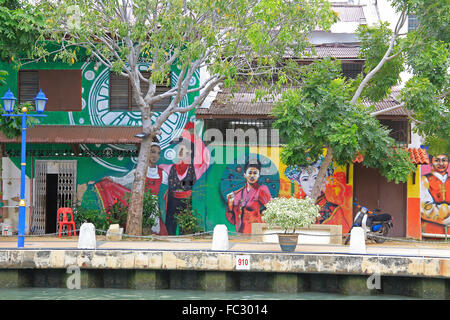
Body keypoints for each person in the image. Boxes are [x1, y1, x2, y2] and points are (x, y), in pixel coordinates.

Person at [96, 139, 168, 235]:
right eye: (152, 152)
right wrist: (111, 179)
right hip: (140, 204)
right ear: (147, 153)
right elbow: (123, 180)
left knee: (155, 228)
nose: (155, 155)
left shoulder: (162, 174)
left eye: (158, 153)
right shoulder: (138, 171)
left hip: (153, 206)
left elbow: (171, 187)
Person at [159, 122, 210, 235]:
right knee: (170, 224)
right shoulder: (169, 168)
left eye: (185, 148)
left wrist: (195, 138)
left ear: (191, 152)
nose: (181, 151)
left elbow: (205, 160)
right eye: (179, 148)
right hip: (172, 200)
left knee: (185, 225)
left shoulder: (195, 169)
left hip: (186, 200)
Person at [284, 158, 351, 232]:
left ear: (324, 180)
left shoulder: (334, 210)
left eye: (316, 178)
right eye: (305, 179)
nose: (311, 184)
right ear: (299, 183)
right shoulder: (295, 208)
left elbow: (342, 236)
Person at [225, 159, 272, 234]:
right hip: (241, 232)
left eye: (255, 173)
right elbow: (233, 220)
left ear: (259, 175)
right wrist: (230, 205)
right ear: (244, 175)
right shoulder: (238, 194)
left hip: (256, 230)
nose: (252, 176)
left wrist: (264, 222)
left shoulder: (261, 190)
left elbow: (272, 208)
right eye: (249, 173)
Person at [421, 153, 450, 228]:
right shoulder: (424, 180)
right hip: (431, 227)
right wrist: (443, 212)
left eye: (444, 160)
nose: (441, 163)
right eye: (437, 160)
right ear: (431, 162)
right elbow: (425, 207)